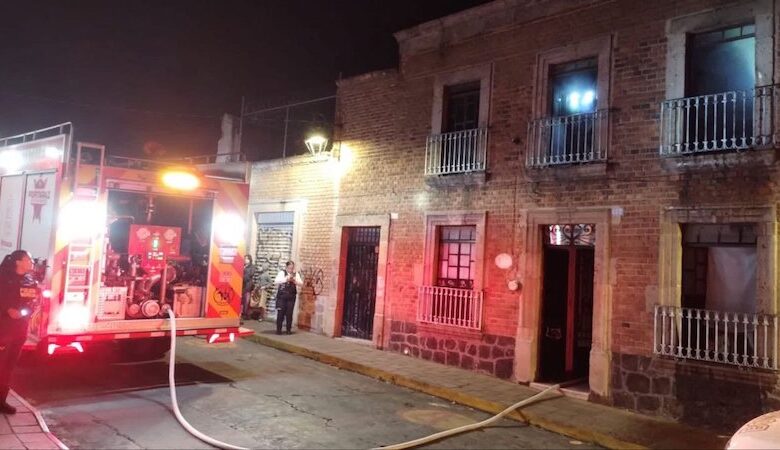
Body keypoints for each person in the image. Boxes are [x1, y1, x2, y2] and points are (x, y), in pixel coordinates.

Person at [0, 250, 38, 415]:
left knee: (8, 367)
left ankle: (1, 401)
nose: (31, 262)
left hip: (19, 330)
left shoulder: (29, 281)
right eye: (28, 260)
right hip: (3, 329)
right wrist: (6, 309)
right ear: (17, 262)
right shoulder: (3, 277)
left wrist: (29, 310)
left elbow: (32, 301)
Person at [274, 261, 303, 335]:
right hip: (282, 296)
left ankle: (288, 330)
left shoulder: (296, 274)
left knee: (289, 314)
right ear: (286, 267)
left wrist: (295, 281)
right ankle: (279, 330)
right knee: (280, 313)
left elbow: (301, 283)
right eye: (289, 268)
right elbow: (276, 281)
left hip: (291, 296)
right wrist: (286, 279)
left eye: (292, 268)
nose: (291, 269)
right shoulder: (282, 273)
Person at [241, 255, 256, 320]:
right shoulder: (242, 265)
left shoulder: (252, 267)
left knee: (247, 300)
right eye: (245, 258)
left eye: (247, 259)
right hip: (241, 285)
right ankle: (241, 313)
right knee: (241, 300)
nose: (246, 260)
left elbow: (250, 275)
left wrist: (242, 277)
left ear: (250, 259)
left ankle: (246, 314)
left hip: (247, 286)